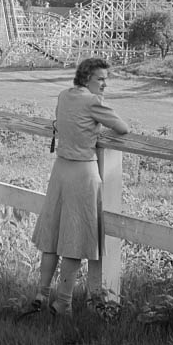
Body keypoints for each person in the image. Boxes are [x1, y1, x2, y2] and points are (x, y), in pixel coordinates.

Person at [30, 57, 128, 316]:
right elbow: (122, 128)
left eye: (107, 79)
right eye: (101, 79)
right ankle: (63, 302)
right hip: (83, 171)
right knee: (74, 238)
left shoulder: (64, 96)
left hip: (60, 169)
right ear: (86, 78)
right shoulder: (93, 102)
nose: (105, 84)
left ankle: (42, 292)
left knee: (52, 235)